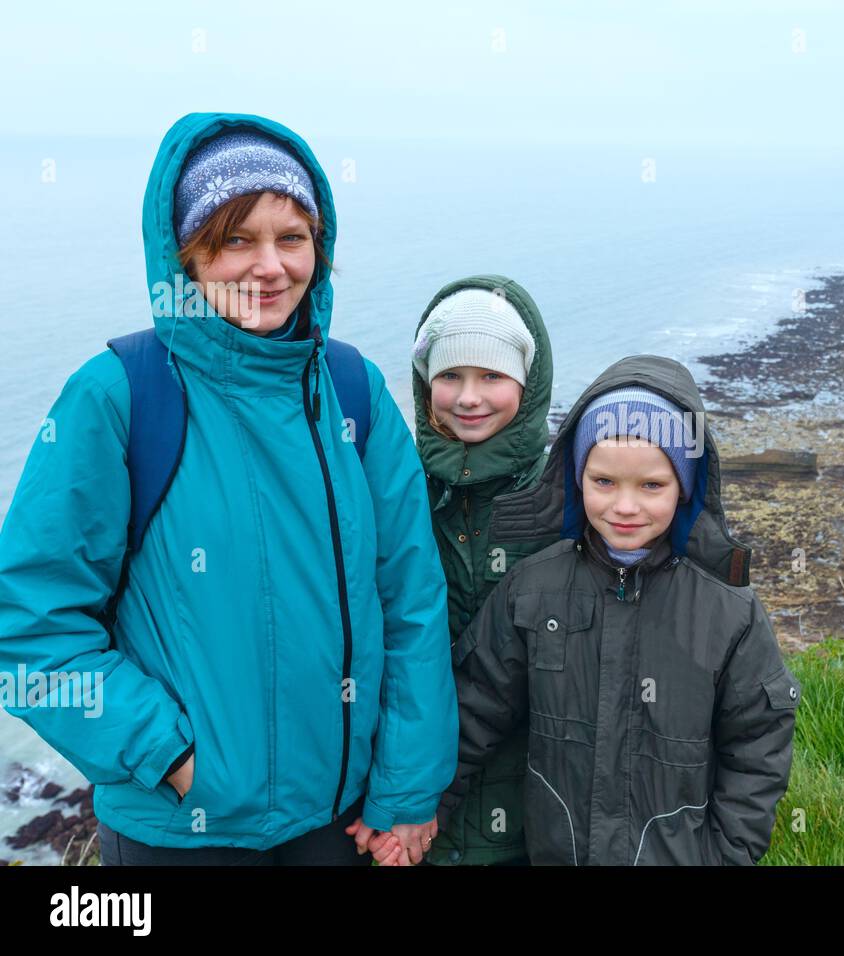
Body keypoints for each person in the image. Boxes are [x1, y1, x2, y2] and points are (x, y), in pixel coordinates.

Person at [0, 112, 457, 865]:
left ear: (321, 247)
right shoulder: (120, 395)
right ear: (186, 253)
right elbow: (29, 623)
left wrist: (407, 791)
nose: (269, 266)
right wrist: (168, 754)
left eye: (292, 237)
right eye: (235, 239)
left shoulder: (353, 391)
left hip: (336, 824)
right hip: (178, 831)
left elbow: (409, 599)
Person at [432, 354, 800, 865]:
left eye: (652, 485)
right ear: (577, 477)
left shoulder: (728, 610)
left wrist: (728, 854)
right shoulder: (532, 588)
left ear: (686, 487)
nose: (625, 507)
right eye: (604, 481)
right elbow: (474, 710)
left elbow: (757, 748)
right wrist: (422, 810)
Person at [368, 276, 553, 867]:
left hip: (538, 798)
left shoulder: (568, 497)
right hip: (417, 797)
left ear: (529, 383)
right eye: (450, 376)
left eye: (492, 376)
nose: (469, 397)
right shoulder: (397, 490)